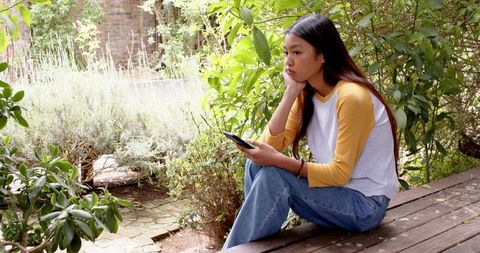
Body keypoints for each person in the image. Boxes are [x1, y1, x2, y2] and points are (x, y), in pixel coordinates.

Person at [222, 14, 399, 249]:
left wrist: (280, 161)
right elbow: (267, 146)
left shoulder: (352, 97)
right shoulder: (308, 94)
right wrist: (291, 92)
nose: (288, 62)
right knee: (256, 165)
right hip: (337, 194)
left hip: (365, 205)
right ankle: (252, 246)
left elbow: (340, 174)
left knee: (274, 176)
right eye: (286, 53)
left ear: (323, 55)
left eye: (297, 52)